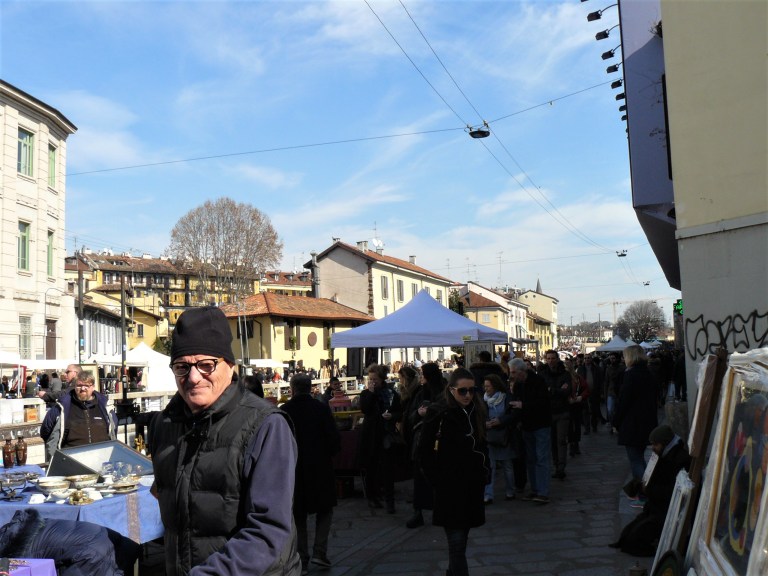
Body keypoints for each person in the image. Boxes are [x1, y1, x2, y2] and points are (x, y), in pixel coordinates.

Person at [148, 306, 301, 576]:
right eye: (182, 367)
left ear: (230, 367)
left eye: (206, 365)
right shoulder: (164, 425)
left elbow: (268, 530)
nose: (193, 377)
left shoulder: (266, 425)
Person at [417, 368, 489, 576]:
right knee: (456, 545)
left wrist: (485, 471)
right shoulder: (439, 412)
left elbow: (482, 444)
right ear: (451, 390)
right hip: (449, 487)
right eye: (462, 391)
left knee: (461, 542)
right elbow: (424, 451)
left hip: (472, 486)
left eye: (472, 390)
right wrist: (438, 481)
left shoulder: (477, 409)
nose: (468, 395)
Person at [280, 374, 341, 575]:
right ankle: (320, 552)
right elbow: (334, 440)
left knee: (298, 514)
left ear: (292, 388)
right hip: (320, 466)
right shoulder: (321, 409)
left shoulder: (284, 411)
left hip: (295, 470)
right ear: (310, 388)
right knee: (325, 510)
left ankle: (302, 557)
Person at [611, 425, 691, 556]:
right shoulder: (663, 455)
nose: (653, 448)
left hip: (666, 511)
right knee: (628, 532)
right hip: (656, 507)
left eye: (656, 444)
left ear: (665, 443)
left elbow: (672, 491)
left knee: (635, 539)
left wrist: (649, 489)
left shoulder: (680, 459)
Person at [40, 370, 117, 462]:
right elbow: (46, 430)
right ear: (75, 386)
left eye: (87, 385)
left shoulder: (104, 406)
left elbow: (113, 428)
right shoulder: (62, 407)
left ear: (92, 387)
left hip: (101, 459)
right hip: (71, 461)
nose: (83, 388)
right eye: (79, 385)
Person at [404, 362, 445, 529]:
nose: (421, 378)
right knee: (419, 476)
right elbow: (411, 414)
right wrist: (418, 413)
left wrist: (431, 412)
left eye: (423, 375)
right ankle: (418, 511)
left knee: (439, 476)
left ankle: (441, 509)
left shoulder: (444, 391)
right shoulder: (421, 393)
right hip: (421, 438)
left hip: (439, 438)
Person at [358, 364, 402, 513]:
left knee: (387, 469)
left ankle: (390, 501)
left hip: (386, 435)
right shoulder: (366, 393)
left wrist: (393, 416)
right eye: (370, 379)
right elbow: (365, 408)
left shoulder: (391, 393)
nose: (372, 381)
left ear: (382, 379)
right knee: (371, 467)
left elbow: (399, 411)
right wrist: (370, 393)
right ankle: (373, 497)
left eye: (375, 379)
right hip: (371, 435)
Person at [612, 345, 659, 485]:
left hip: (632, 423)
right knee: (639, 457)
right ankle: (645, 490)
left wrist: (616, 421)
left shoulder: (630, 374)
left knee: (636, 459)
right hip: (648, 421)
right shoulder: (648, 372)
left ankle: (645, 491)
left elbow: (624, 401)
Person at [508, 358, 552, 504]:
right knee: (531, 460)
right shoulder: (519, 385)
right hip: (527, 426)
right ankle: (534, 489)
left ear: (522, 370)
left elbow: (543, 403)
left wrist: (523, 405)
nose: (512, 375)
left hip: (541, 425)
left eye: (514, 372)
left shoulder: (538, 381)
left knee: (541, 458)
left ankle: (543, 491)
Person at [482, 374, 517, 503]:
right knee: (490, 466)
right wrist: (485, 423)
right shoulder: (483, 399)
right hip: (489, 435)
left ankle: (510, 491)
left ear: (495, 386)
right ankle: (488, 494)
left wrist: (500, 421)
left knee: (507, 465)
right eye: (485, 386)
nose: (486, 389)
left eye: (488, 386)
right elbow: (480, 415)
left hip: (504, 435)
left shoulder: (506, 397)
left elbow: (512, 415)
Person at [538, 350, 572, 480]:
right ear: (546, 360)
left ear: (557, 359)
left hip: (563, 411)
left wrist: (551, 390)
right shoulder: (542, 374)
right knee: (552, 441)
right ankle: (556, 464)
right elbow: (542, 392)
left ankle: (561, 468)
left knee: (561, 440)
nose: (551, 361)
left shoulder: (565, 374)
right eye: (548, 358)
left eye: (553, 358)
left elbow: (567, 391)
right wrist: (557, 390)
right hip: (548, 412)